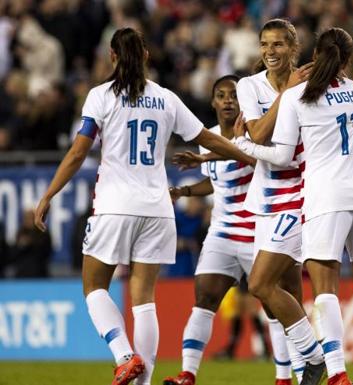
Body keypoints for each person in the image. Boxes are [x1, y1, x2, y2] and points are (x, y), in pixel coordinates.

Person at [33, 28, 251, 385]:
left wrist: (48, 195)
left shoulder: (101, 96)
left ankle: (123, 356)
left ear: (111, 56)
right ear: (147, 56)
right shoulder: (166, 98)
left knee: (93, 287)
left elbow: (77, 152)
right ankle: (143, 381)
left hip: (115, 206)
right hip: (158, 209)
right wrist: (251, 156)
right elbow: (208, 138)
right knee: (144, 299)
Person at [234, 27, 353, 385]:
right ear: (345, 60)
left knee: (324, 289)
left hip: (325, 197)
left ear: (313, 55)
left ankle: (335, 372)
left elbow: (282, 154)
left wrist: (245, 144)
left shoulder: (298, 96)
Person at [234, 19, 324, 385]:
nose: (271, 52)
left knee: (259, 284)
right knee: (285, 294)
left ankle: (317, 359)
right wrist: (287, 92)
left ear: (293, 47)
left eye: (278, 45)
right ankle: (302, 373)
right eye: (265, 45)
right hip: (266, 199)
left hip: (300, 196)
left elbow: (255, 135)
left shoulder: (309, 85)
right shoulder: (248, 85)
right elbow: (258, 132)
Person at [162, 75, 259, 385]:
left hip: (259, 230)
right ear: (214, 102)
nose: (228, 99)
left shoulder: (255, 133)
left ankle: (286, 377)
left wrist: (205, 154)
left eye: (233, 94)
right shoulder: (209, 137)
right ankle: (187, 374)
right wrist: (185, 192)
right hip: (222, 231)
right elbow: (213, 182)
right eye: (221, 95)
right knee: (204, 298)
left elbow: (249, 157)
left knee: (273, 306)